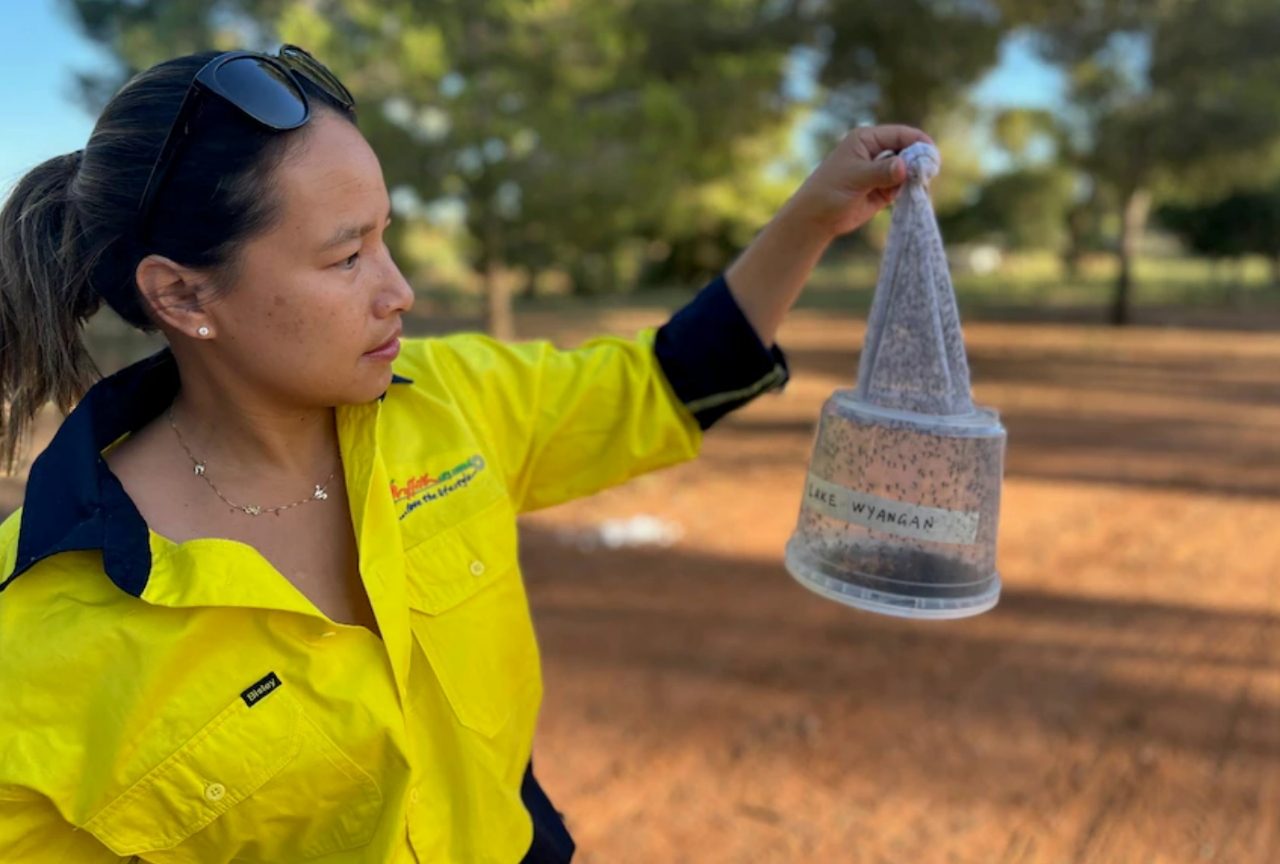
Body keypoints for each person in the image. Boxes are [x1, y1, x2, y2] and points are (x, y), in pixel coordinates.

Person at [0, 45, 929, 864]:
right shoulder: (39, 636)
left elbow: (665, 382)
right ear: (182, 295)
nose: (398, 290)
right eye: (346, 257)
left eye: (386, 236)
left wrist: (813, 214)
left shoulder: (450, 403)